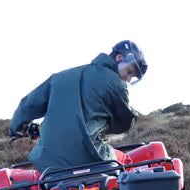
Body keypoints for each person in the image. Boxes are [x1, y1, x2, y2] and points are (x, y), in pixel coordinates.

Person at [9, 41, 147, 172]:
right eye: (129, 72)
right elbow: (122, 125)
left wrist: (19, 132)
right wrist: (131, 114)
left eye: (132, 77)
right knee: (128, 163)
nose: (128, 79)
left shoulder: (59, 77)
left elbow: (26, 106)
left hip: (48, 162)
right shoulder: (116, 84)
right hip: (92, 158)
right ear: (119, 57)